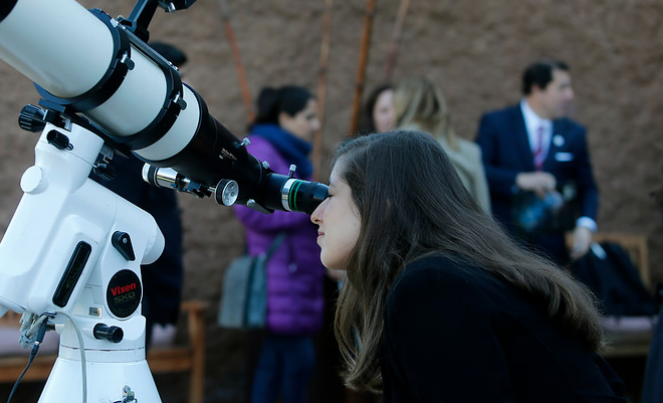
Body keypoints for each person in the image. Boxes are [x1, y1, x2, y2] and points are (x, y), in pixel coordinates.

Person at [310, 131, 626, 402]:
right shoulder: (449, 275)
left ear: (383, 205)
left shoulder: (431, 287)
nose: (317, 213)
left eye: (333, 194)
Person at [89, 41, 187, 346]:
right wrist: (167, 303)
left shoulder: (101, 132)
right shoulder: (138, 151)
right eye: (178, 80)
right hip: (127, 295)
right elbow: (155, 231)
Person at [233, 85, 324, 403]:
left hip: (293, 272)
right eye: (308, 117)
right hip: (280, 272)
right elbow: (247, 208)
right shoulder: (262, 149)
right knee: (297, 363)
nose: (315, 125)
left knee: (274, 364)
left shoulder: (284, 150)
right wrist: (308, 208)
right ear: (284, 117)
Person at [474, 58, 599, 266]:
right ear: (538, 89)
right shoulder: (496, 123)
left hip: (551, 255)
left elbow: (588, 188)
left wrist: (585, 225)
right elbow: (477, 171)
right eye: (562, 88)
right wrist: (518, 179)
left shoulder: (574, 133)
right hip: (502, 246)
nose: (570, 95)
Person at [393, 76, 490, 212]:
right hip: (463, 231)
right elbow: (484, 212)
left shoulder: (391, 146)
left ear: (400, 105)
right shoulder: (470, 151)